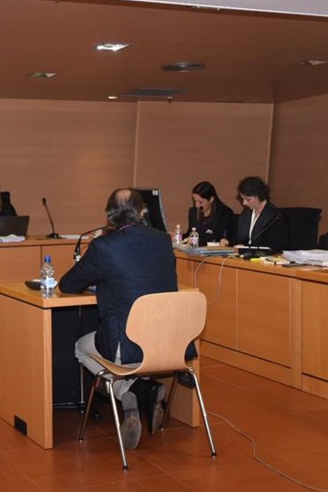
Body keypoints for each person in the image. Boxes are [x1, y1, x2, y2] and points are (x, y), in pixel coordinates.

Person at [59, 188, 181, 450]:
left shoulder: (104, 245)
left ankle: (127, 391)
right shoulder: (163, 240)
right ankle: (145, 389)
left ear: (109, 215)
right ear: (143, 211)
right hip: (168, 342)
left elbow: (68, 285)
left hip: (126, 346)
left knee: (80, 348)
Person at [222, 176, 288, 252]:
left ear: (259, 195)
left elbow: (274, 248)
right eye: (243, 199)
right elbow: (240, 239)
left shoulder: (274, 217)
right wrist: (228, 242)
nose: (244, 203)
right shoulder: (246, 213)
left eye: (248, 199)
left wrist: (246, 249)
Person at [188, 181, 237, 246]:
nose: (197, 205)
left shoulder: (225, 213)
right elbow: (190, 233)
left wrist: (197, 238)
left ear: (211, 199)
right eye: (195, 201)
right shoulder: (193, 211)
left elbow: (219, 237)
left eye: (200, 202)